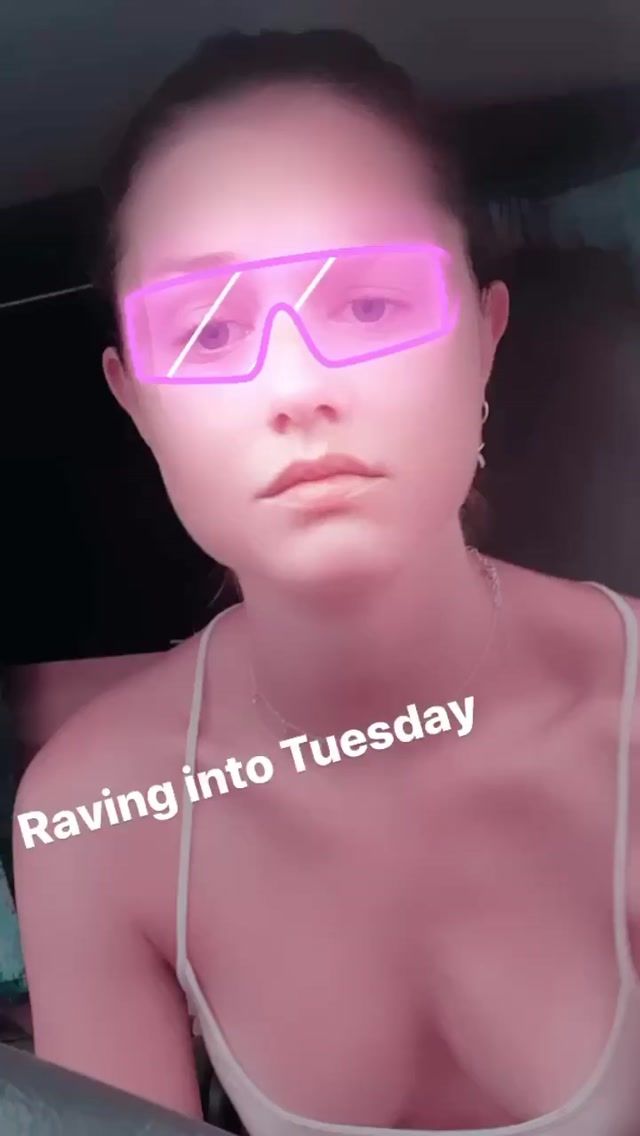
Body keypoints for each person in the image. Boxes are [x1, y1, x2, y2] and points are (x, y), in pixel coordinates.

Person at [12, 27, 640, 1136]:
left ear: (484, 336)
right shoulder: (92, 815)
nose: (295, 385)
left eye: (370, 303)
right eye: (208, 330)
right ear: (134, 400)